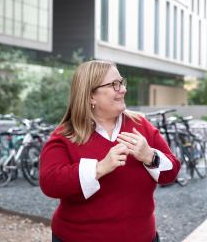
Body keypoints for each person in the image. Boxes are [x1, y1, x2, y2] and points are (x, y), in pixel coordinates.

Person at [39, 60, 181, 242]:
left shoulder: (140, 125)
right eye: (114, 85)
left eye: (121, 82)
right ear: (91, 96)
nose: (123, 89)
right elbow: (50, 183)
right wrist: (99, 168)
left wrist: (150, 156)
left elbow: (172, 173)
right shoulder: (66, 134)